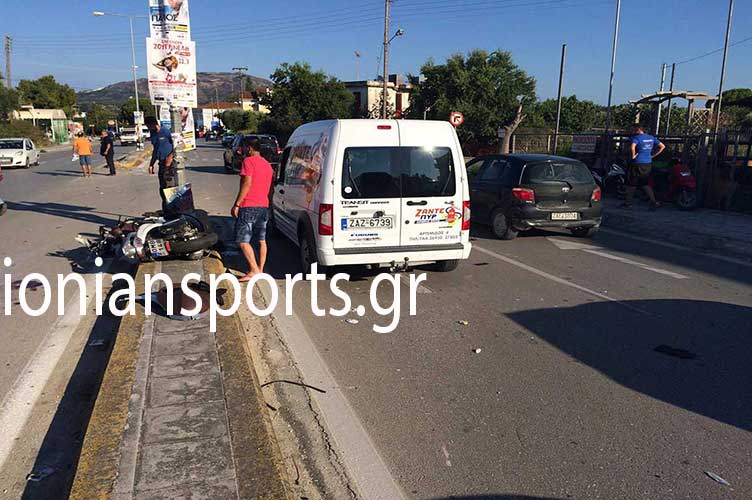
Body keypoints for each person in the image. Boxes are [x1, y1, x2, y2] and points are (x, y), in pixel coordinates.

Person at [231, 136, 274, 282]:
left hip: (249, 205)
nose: (242, 150)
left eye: (243, 147)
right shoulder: (267, 165)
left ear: (249, 148)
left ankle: (254, 270)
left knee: (242, 240)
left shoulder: (248, 161)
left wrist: (237, 204)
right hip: (263, 206)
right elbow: (271, 189)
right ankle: (260, 269)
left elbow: (247, 183)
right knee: (261, 240)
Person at [624, 125, 666, 210]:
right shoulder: (651, 137)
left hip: (637, 163)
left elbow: (632, 147)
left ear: (638, 130)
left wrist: (633, 156)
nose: (632, 131)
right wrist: (653, 155)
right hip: (647, 163)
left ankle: (628, 203)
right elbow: (662, 146)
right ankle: (654, 201)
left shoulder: (636, 138)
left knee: (632, 184)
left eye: (633, 130)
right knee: (645, 183)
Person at [145, 116, 175, 210]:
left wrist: (170, 157)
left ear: (154, 124)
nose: (148, 128)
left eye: (148, 126)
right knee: (162, 188)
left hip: (170, 164)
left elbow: (177, 145)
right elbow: (155, 150)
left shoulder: (165, 131)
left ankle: (172, 210)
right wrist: (151, 164)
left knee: (169, 188)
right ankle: (166, 209)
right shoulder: (153, 134)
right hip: (161, 163)